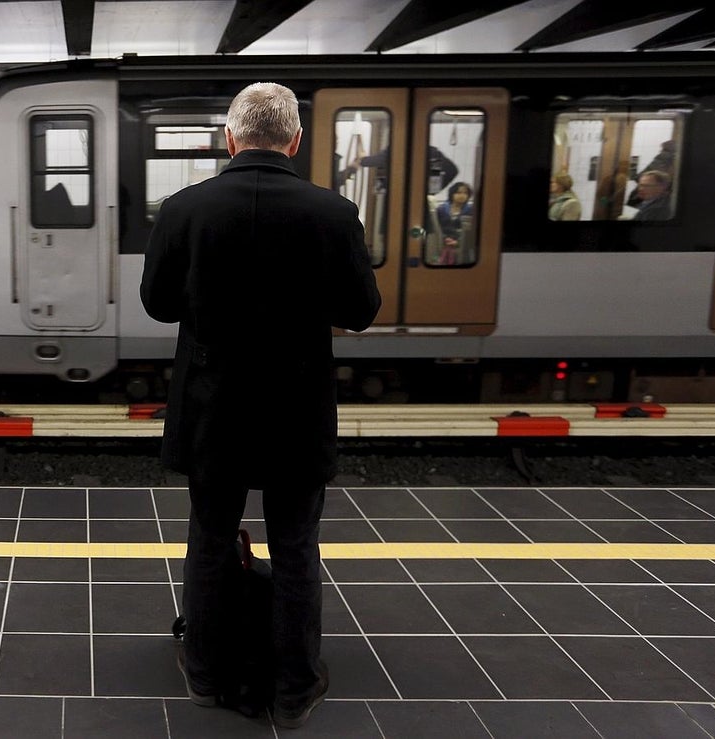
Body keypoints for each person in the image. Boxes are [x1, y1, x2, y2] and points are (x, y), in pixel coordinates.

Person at [140, 82, 381, 728]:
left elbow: (158, 304)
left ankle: (206, 671)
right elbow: (362, 310)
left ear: (230, 137)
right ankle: (296, 685)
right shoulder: (333, 214)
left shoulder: (185, 209)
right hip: (296, 413)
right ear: (295, 140)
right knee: (298, 544)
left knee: (210, 539)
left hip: (212, 406)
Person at [435, 181, 474, 264]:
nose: (462, 195)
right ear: (452, 194)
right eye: (458, 192)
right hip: (442, 243)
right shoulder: (441, 209)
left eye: (465, 193)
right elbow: (436, 228)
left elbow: (471, 232)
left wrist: (458, 242)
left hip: (463, 246)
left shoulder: (471, 210)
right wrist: (444, 239)